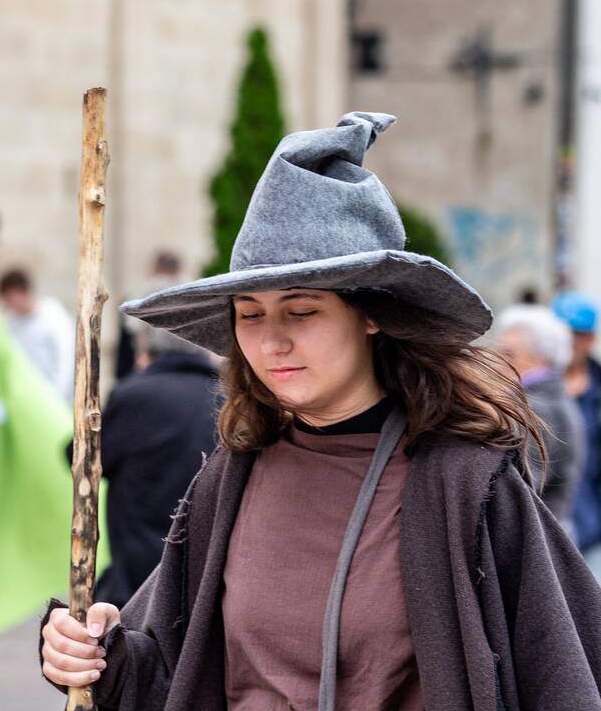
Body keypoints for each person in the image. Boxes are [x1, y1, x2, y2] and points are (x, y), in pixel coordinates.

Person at [39, 113, 601, 710]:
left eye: (301, 311)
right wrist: (94, 652)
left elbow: (566, 678)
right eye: (249, 314)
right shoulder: (232, 478)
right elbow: (171, 677)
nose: (271, 342)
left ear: (371, 313)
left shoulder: (466, 483)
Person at [95, 327, 218, 609]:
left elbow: (85, 461)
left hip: (135, 575)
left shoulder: (133, 394)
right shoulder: (230, 397)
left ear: (145, 354)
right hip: (205, 574)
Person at [494, 304, 586, 529]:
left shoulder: (537, 408)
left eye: (509, 354)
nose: (498, 362)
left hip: (537, 541)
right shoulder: (553, 399)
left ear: (541, 358)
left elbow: (513, 494)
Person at [553, 292, 601, 574]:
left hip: (593, 529)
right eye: (564, 333)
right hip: (547, 525)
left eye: (577, 334)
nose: (571, 342)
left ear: (590, 338)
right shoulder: (531, 390)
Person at [0, 268, 75, 402]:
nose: (7, 304)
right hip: (26, 397)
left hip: (55, 396)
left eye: (9, 298)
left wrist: (55, 399)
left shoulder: (53, 316)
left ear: (21, 292)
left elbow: (65, 361)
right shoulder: (10, 322)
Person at [116, 250, 183, 380]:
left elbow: (133, 329)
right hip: (182, 362)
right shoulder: (186, 293)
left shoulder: (140, 293)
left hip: (150, 361)